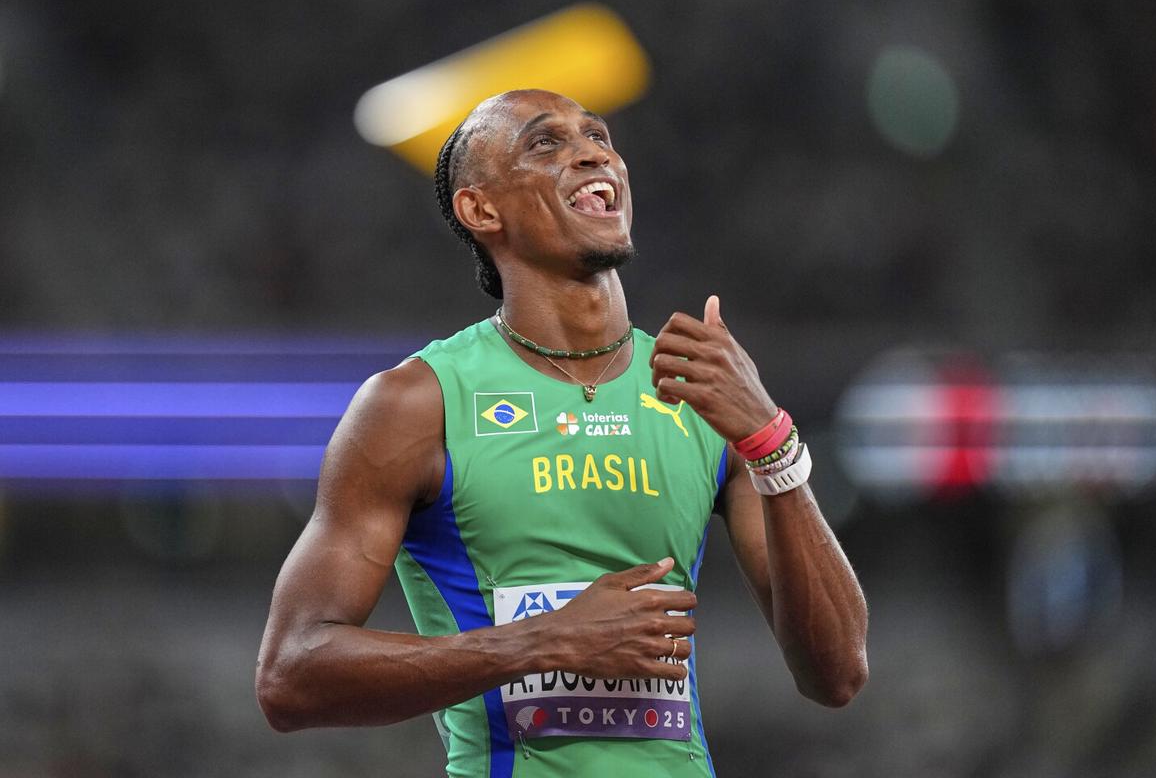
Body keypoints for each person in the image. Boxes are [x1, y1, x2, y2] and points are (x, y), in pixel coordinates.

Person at [256, 89, 868, 777]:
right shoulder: (417, 404)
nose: (591, 153)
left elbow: (837, 674)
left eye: (598, 137)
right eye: (545, 143)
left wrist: (771, 443)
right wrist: (538, 644)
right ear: (481, 210)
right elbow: (291, 674)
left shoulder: (702, 394)